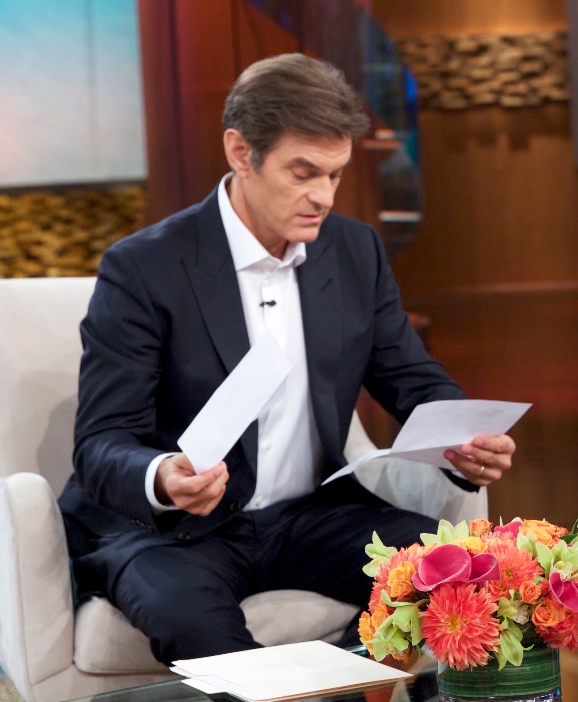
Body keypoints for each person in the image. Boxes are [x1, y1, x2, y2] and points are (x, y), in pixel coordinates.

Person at [58, 53, 516, 664]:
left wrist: (466, 439)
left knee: (467, 573)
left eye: (334, 175)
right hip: (173, 532)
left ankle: (353, 690)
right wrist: (164, 475)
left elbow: (410, 378)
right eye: (303, 173)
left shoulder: (354, 251)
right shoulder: (144, 268)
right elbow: (102, 440)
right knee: (191, 622)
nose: (322, 196)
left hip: (314, 515)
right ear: (240, 152)